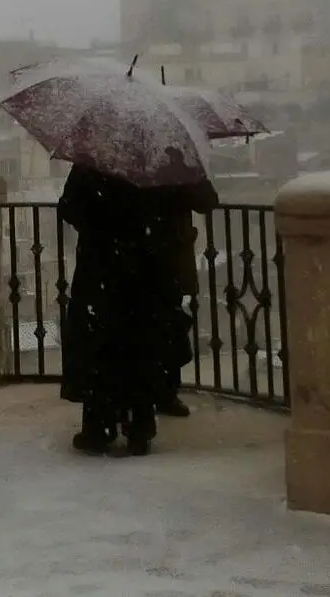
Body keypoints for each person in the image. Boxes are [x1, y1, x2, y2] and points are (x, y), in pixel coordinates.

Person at [58, 164, 177, 456]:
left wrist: (96, 221)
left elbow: (69, 208)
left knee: (100, 350)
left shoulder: (92, 163)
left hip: (99, 272)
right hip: (143, 273)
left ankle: (99, 427)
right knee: (140, 348)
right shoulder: (152, 165)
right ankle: (139, 428)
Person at [156, 177, 219, 418]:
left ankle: (146, 396)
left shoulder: (105, 161)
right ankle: (165, 393)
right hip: (168, 260)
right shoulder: (177, 163)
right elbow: (207, 201)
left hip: (137, 262)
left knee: (154, 326)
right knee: (167, 325)